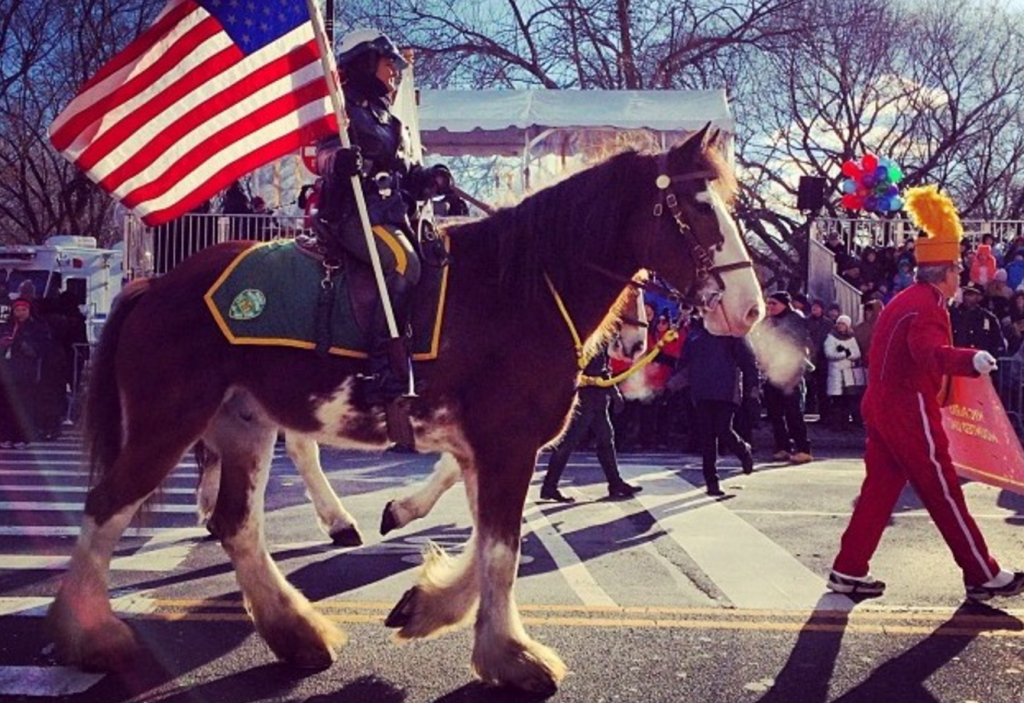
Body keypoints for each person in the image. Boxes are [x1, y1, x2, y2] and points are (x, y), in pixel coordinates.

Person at [828, 185, 1024, 601]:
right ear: (946, 273)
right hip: (908, 406)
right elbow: (928, 353)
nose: (962, 278)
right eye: (958, 271)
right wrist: (970, 359)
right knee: (943, 489)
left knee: (880, 491)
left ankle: (848, 569)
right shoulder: (928, 304)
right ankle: (981, 572)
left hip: (884, 407)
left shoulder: (905, 299)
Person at [314, 29, 455, 402]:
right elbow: (320, 155)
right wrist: (338, 161)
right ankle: (379, 369)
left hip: (394, 217)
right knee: (402, 263)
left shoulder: (390, 119)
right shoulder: (342, 108)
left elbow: (406, 176)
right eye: (388, 61)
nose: (395, 70)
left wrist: (431, 179)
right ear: (365, 62)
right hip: (354, 216)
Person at [540, 346, 642, 503]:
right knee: (568, 442)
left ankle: (615, 483)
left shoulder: (601, 341)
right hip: (585, 399)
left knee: (606, 440)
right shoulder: (588, 342)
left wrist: (614, 392)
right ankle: (549, 486)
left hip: (598, 399)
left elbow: (604, 369)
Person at [678, 316, 757, 496]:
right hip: (701, 391)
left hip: (727, 390)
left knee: (723, 429)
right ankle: (711, 482)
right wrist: (672, 384)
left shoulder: (733, 334)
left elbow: (748, 362)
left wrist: (752, 390)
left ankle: (743, 450)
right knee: (706, 436)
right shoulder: (695, 334)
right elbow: (684, 362)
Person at [761, 291, 813, 464]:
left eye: (773, 304)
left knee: (793, 413)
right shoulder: (768, 321)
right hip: (772, 371)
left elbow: (799, 346)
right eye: (768, 304)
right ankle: (782, 446)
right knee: (775, 413)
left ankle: (803, 448)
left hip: (791, 372)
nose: (770, 307)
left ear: (784, 304)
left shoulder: (795, 320)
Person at [0, 299, 51, 448]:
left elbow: (43, 347)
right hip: (7, 371)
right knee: (5, 405)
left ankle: (22, 437)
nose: (20, 313)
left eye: (24, 310)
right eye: (18, 310)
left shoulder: (36, 327)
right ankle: (5, 436)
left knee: (24, 405)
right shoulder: (6, 326)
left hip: (25, 371)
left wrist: (26, 346)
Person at [822, 315, 864, 429]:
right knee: (837, 400)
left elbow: (857, 353)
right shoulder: (831, 338)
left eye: (843, 324)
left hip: (848, 374)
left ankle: (846, 423)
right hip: (836, 373)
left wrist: (849, 354)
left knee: (847, 400)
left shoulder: (851, 338)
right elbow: (829, 353)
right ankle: (836, 423)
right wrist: (843, 354)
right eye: (839, 324)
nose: (841, 326)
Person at [951, 283, 1007, 360]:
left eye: (971, 295)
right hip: (959, 360)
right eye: (965, 294)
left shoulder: (988, 318)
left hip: (980, 362)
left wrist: (989, 358)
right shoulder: (953, 315)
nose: (966, 297)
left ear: (979, 297)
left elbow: (998, 343)